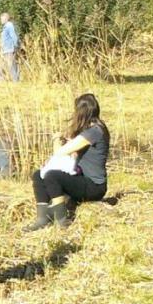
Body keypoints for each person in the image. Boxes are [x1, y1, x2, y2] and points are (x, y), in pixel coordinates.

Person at [24, 93, 110, 231]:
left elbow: (61, 152)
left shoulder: (95, 131)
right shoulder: (92, 130)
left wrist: (56, 140)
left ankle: (61, 219)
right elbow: (74, 150)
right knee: (38, 175)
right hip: (81, 178)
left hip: (94, 186)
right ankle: (42, 218)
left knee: (52, 176)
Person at [0, 12, 20, 82]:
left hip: (9, 49)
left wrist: (15, 46)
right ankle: (0, 80)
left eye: (2, 18)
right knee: (0, 66)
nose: (1, 20)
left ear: (6, 18)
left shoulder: (9, 25)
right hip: (4, 50)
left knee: (11, 66)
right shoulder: (5, 27)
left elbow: (14, 36)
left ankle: (15, 81)